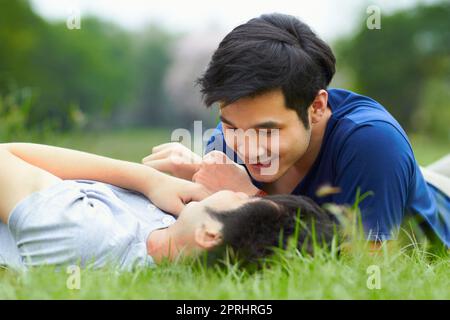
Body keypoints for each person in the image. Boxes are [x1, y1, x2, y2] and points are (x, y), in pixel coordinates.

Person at [143, 13, 450, 249]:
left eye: (267, 131)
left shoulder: (373, 144)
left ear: (316, 107)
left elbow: (365, 267)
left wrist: (251, 197)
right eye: (231, 126)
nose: (247, 149)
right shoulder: (225, 148)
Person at [0, 143, 335, 270]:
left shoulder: (89, 235)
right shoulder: (170, 229)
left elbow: (5, 155)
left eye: (241, 198)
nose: (237, 192)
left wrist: (148, 179)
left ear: (209, 235)